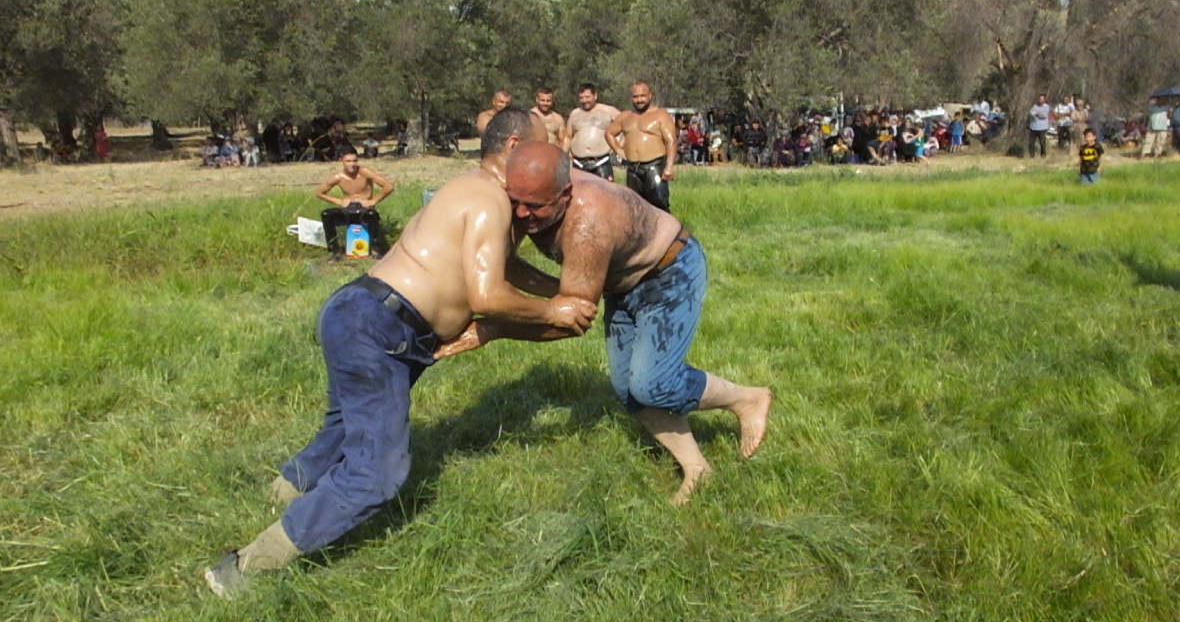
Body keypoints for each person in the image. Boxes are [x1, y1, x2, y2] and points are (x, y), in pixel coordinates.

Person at [203, 109, 595, 597]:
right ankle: (244, 568)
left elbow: (506, 267)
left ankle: (281, 493)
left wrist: (561, 291)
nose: (553, 148)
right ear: (515, 146)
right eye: (545, 142)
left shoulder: (475, 190)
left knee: (344, 426)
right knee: (377, 472)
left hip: (367, 315)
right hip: (379, 323)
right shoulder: (487, 198)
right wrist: (552, 313)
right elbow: (488, 295)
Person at [435, 141, 772, 504]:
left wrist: (495, 328)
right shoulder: (530, 190)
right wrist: (558, 295)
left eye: (534, 206)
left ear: (565, 194)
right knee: (629, 390)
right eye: (514, 200)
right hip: (619, 285)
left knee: (654, 384)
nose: (520, 214)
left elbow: (571, 323)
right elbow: (515, 267)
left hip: (668, 273)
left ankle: (747, 399)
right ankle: (697, 469)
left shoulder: (587, 223)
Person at [606, 81, 677, 211]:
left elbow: (670, 141)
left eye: (643, 96)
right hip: (632, 169)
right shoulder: (625, 116)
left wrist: (669, 166)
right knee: (635, 208)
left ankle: (666, 231)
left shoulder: (661, 115)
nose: (639, 100)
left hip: (654, 166)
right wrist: (619, 150)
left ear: (650, 95)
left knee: (659, 205)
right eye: (636, 96)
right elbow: (609, 133)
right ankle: (640, 232)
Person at [315, 152, 396, 263]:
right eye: (348, 161)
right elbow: (319, 193)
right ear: (341, 161)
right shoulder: (338, 177)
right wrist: (339, 201)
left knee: (372, 215)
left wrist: (373, 201)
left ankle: (375, 250)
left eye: (354, 161)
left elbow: (388, 186)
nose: (352, 164)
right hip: (348, 208)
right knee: (326, 215)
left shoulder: (364, 172)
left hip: (365, 208)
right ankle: (336, 251)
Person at [563, 83, 620, 180]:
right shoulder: (575, 113)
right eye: (581, 98)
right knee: (579, 194)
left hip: (601, 161)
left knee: (604, 193)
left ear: (595, 95)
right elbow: (568, 137)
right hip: (578, 163)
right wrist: (562, 156)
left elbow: (626, 124)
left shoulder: (609, 110)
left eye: (587, 97)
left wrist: (619, 146)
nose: (584, 100)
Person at [1028, 94, 1050, 158]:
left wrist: (1037, 113)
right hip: (1033, 127)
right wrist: (1036, 113)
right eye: (1040, 99)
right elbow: (1031, 112)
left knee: (1042, 143)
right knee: (1031, 143)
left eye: (1042, 99)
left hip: (1042, 128)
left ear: (1045, 100)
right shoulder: (1035, 106)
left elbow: (1043, 115)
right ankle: (1032, 156)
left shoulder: (1046, 106)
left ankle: (1043, 156)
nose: (1041, 100)